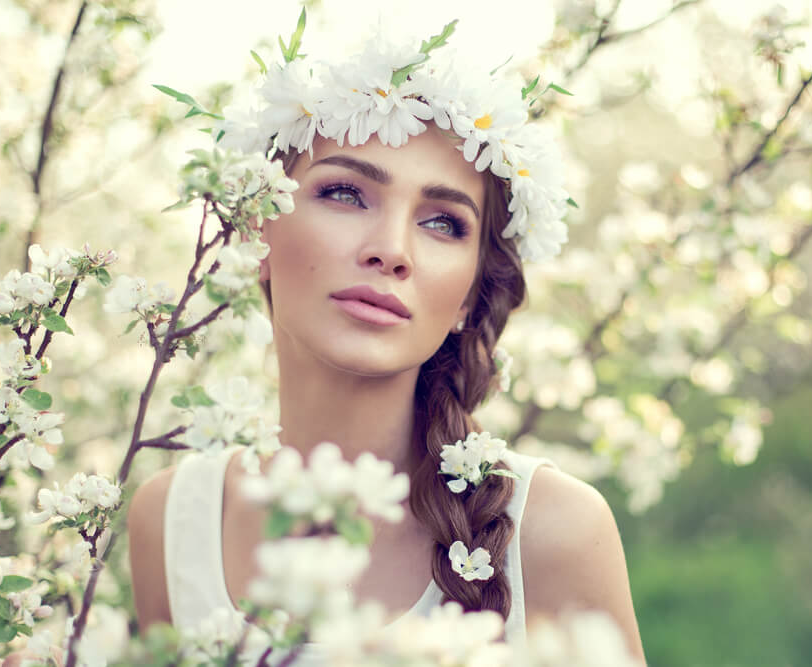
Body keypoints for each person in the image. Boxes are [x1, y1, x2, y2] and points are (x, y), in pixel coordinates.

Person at [127, 18, 646, 665]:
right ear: (256, 230)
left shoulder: (555, 532)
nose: (391, 250)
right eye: (345, 192)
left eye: (442, 222)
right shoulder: (171, 520)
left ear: (467, 296)